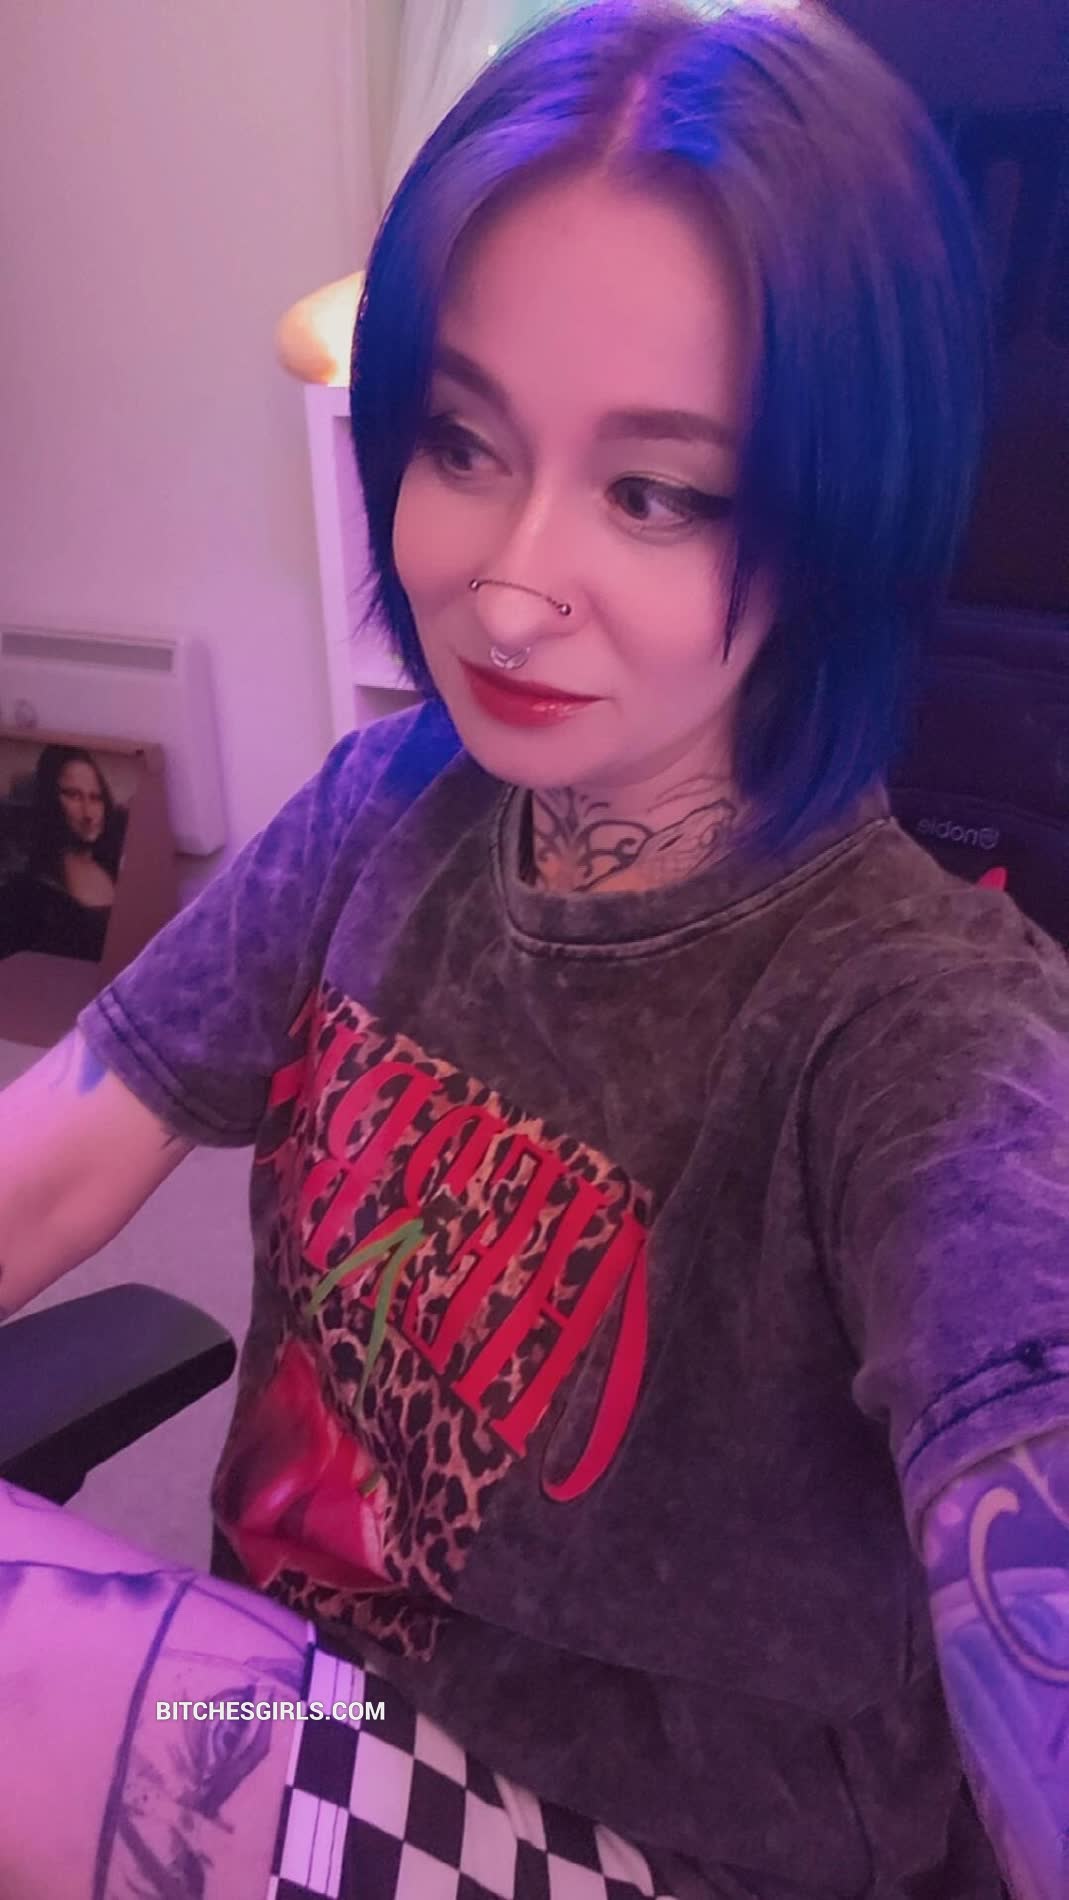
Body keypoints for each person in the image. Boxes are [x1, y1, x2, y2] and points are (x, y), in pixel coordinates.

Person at [0, 1, 1067, 1895]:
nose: (502, 584)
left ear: (835, 522)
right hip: (298, 1700)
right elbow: (58, 1159)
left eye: (651, 491)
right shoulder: (381, 810)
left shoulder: (920, 1031)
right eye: (465, 441)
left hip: (666, 1852)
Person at [0, 745, 126, 961]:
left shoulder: (118, 866)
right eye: (73, 795)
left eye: (95, 797)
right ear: (49, 798)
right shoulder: (26, 892)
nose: (88, 813)